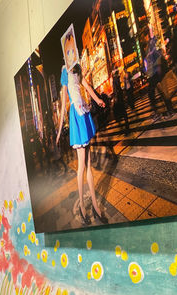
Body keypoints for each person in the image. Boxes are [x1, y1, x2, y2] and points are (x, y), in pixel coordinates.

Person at [56, 63, 106, 225]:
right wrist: (59, 130)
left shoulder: (77, 68)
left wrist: (98, 100)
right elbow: (64, 101)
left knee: (88, 165)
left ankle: (96, 207)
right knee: (81, 167)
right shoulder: (65, 70)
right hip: (76, 117)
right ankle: (83, 207)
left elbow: (88, 86)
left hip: (84, 113)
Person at [144, 35, 174, 118]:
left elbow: (158, 62)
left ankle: (170, 110)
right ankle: (167, 110)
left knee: (164, 93)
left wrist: (158, 69)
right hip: (156, 76)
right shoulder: (150, 53)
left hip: (159, 75)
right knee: (161, 93)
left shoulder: (153, 51)